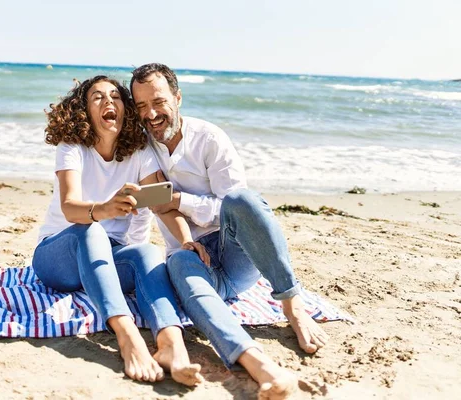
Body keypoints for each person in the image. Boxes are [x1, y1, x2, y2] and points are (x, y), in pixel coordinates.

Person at [130, 63, 330, 399]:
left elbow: (231, 209)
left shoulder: (209, 139)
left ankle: (292, 304)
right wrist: (179, 225)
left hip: (235, 253)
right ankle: (261, 367)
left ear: (178, 97)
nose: (151, 114)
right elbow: (152, 203)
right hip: (192, 256)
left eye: (159, 102)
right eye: (141, 107)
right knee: (176, 262)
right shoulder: (143, 149)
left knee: (243, 199)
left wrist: (179, 199)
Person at [32, 75, 204, 386]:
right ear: (84, 110)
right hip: (57, 257)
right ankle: (128, 338)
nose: (108, 101)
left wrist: (187, 240)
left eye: (115, 96)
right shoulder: (72, 147)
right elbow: (70, 206)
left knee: (148, 251)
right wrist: (106, 209)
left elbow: (161, 203)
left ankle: (170, 344)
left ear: (125, 109)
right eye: (97, 97)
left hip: (108, 259)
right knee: (91, 230)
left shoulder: (139, 152)